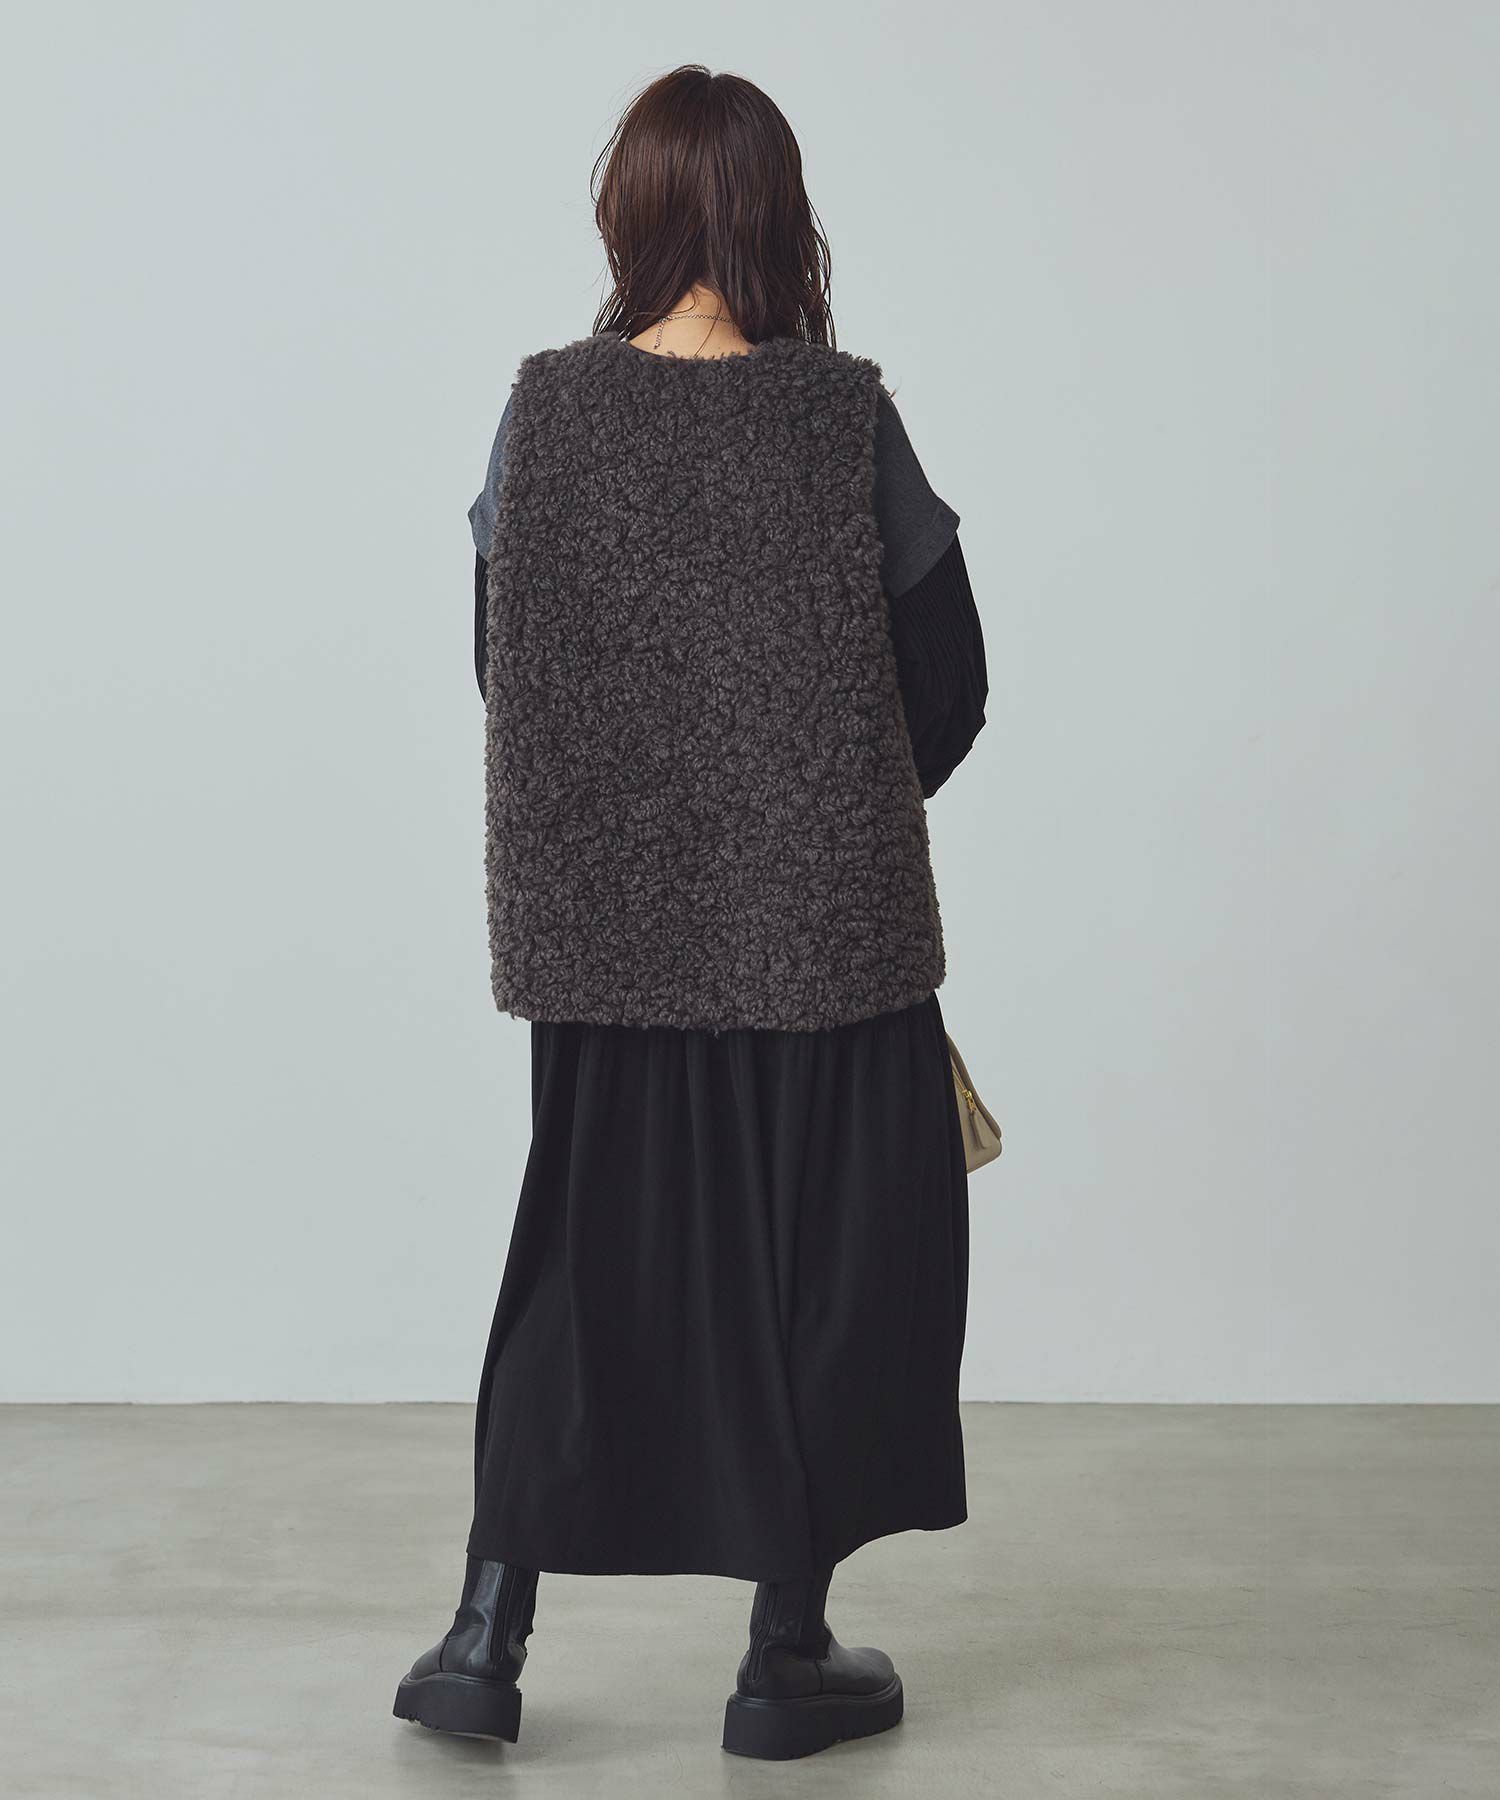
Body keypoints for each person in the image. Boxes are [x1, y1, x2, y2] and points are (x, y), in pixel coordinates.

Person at [393, 63, 987, 1762]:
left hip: (606, 941)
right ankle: (784, 1657)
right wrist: (802, 807)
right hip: (826, 938)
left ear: (630, 216)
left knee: (581, 1266)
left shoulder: (543, 414)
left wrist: (649, 811)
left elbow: (507, 669)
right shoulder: (840, 418)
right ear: (780, 217)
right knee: (832, 1275)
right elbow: (949, 681)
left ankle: (484, 1637)